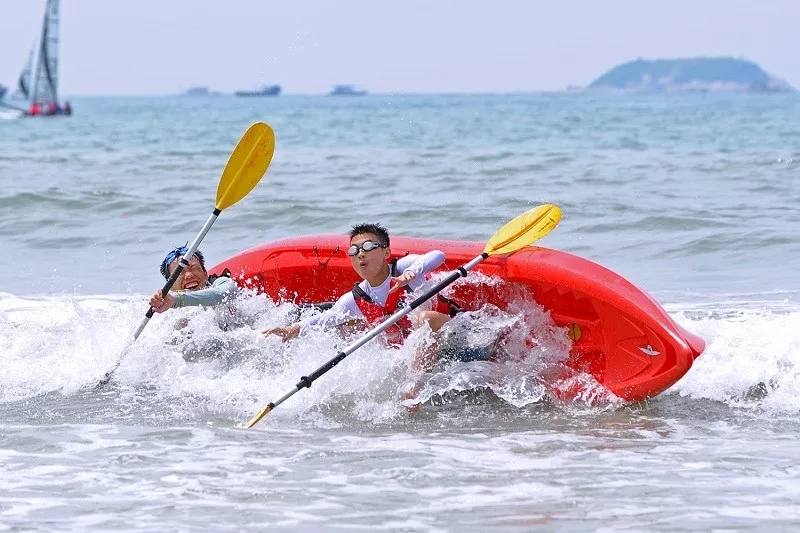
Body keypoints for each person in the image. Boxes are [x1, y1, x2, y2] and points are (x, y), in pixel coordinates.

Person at [263, 223, 474, 400]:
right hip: (424, 353)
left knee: (425, 317)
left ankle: (413, 387)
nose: (360, 253)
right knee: (349, 325)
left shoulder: (403, 269)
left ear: (386, 253)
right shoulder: (355, 298)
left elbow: (438, 255)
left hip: (456, 337)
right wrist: (294, 328)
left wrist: (411, 273)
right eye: (354, 250)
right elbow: (329, 317)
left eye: (368, 246)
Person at [149, 245, 237, 314]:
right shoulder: (169, 311)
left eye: (194, 268)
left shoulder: (220, 282)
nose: (189, 275)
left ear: (205, 273)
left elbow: (223, 295)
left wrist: (176, 300)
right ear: (170, 286)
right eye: (180, 272)